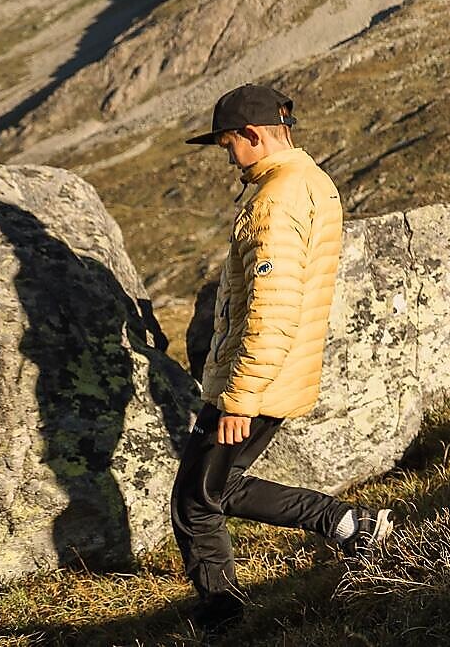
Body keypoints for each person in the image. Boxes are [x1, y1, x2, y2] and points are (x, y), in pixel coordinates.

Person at [172, 84, 390, 634]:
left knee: (197, 502)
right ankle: (344, 523)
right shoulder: (309, 181)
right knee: (218, 486)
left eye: (229, 146)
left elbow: (272, 307)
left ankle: (224, 618)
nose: (228, 157)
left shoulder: (276, 199)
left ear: (253, 134)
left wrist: (238, 397)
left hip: (255, 380)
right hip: (276, 373)